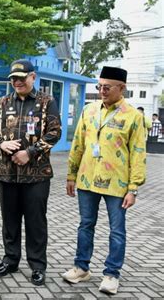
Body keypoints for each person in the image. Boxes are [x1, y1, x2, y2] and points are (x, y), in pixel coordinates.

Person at [62, 66, 146, 295]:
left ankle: (111, 274)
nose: (102, 91)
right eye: (99, 86)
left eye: (107, 87)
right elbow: (78, 143)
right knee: (85, 224)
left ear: (122, 88)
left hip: (117, 184)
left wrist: (134, 188)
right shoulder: (88, 110)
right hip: (87, 179)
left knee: (117, 230)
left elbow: (138, 153)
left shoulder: (134, 116)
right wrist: (71, 174)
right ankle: (81, 267)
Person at [0, 59, 61, 286]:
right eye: (13, 78)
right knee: (9, 221)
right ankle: (10, 260)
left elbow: (54, 132)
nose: (17, 82)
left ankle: (37, 266)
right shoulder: (1, 102)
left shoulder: (46, 101)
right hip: (6, 173)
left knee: (35, 222)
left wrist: (29, 152)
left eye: (22, 77)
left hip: (36, 175)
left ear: (33, 77)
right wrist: (1, 144)